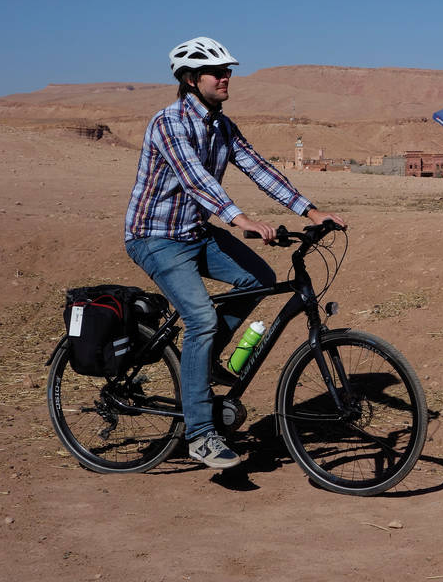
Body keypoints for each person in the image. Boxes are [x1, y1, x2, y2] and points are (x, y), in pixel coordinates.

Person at [124, 37, 346, 469]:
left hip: (194, 231)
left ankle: (201, 365)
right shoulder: (169, 123)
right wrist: (240, 220)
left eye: (229, 70)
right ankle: (201, 435)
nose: (227, 77)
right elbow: (195, 180)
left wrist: (310, 210)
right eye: (217, 71)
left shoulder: (221, 125)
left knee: (259, 280)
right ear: (191, 80)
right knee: (202, 319)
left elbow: (258, 167)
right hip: (154, 236)